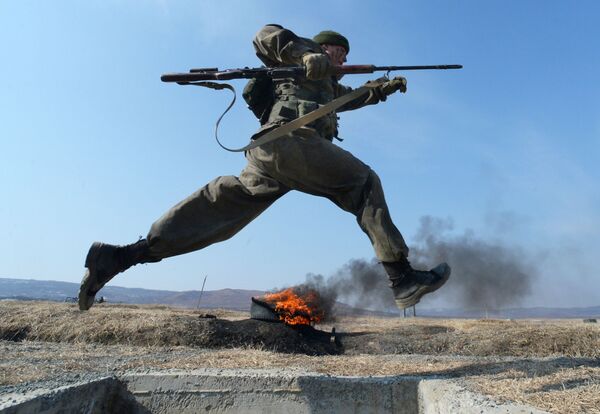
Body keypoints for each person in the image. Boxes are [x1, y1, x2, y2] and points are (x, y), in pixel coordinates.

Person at [78, 24, 450, 311]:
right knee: (363, 183)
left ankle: (121, 257)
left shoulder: (329, 89)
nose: (341, 60)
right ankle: (401, 277)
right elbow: (264, 36)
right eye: (338, 53)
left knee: (217, 211)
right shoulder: (295, 63)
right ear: (323, 48)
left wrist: (382, 88)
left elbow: (351, 98)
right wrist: (304, 55)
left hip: (270, 158)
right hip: (290, 142)